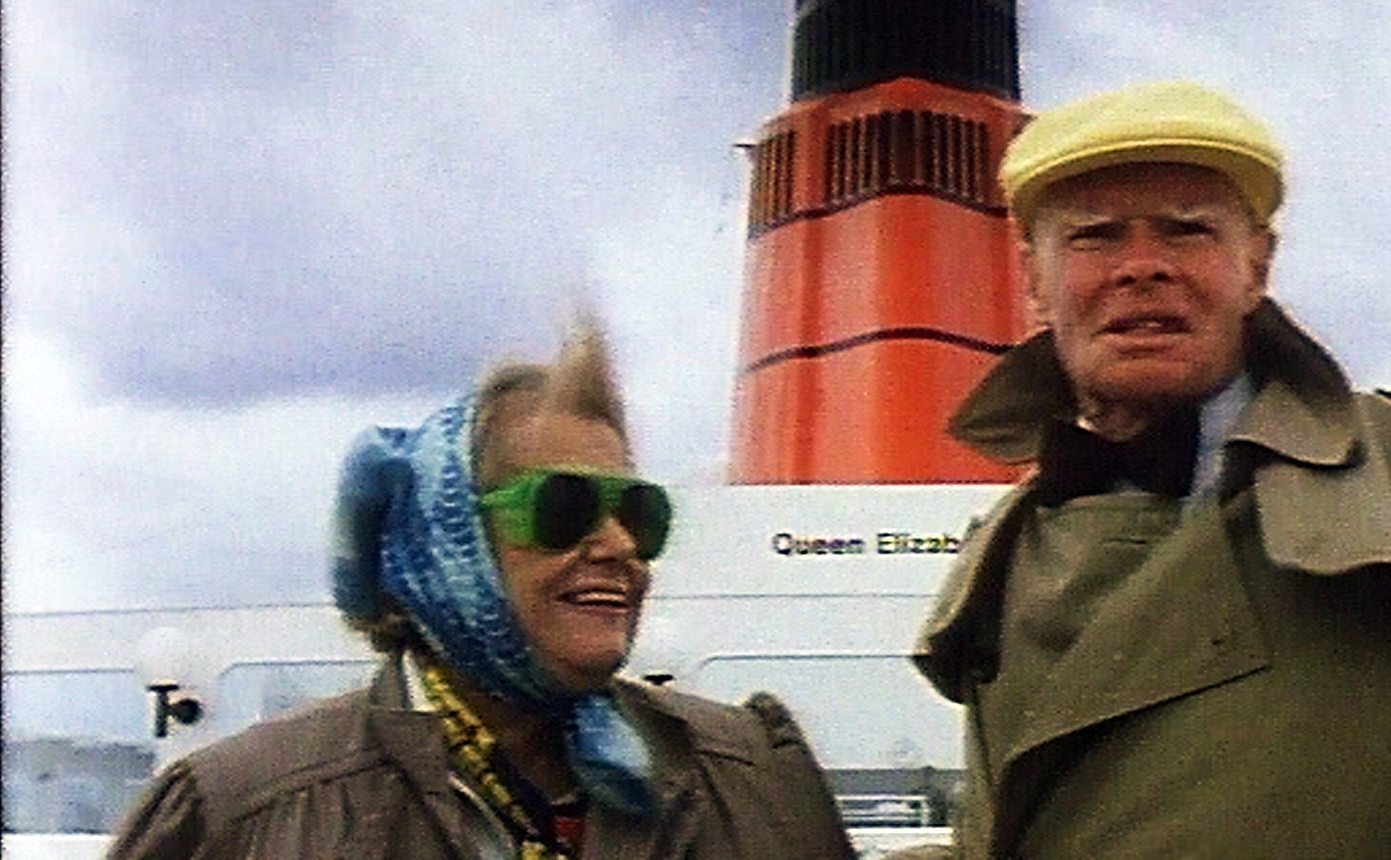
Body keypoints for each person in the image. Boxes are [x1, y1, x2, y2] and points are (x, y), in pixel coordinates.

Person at [907, 80, 1391, 857]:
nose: (1141, 266)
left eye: (1186, 230)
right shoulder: (1008, 541)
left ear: (1256, 265)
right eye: (1095, 236)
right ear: (1033, 282)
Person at [109, 319, 857, 859]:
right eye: (563, 507)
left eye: (638, 512)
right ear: (447, 547)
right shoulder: (238, 817)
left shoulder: (755, 779)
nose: (620, 545)